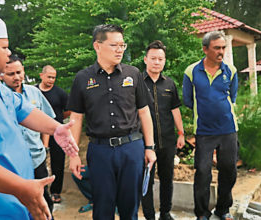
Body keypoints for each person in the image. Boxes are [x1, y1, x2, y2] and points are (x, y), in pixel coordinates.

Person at [0, 12, 78, 220]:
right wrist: (21, 188)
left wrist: (56, 129)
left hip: (11, 207)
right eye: (4, 47)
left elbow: (22, 109)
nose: (9, 53)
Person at [67, 24, 157, 220]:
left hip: (131, 148)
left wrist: (149, 147)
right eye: (114, 45)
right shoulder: (83, 79)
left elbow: (144, 112)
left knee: (130, 207)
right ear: (97, 46)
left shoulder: (133, 74)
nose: (119, 50)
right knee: (102, 208)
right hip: (100, 152)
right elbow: (76, 118)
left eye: (122, 45)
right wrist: (73, 155)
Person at [182, 31, 238, 220]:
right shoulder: (191, 71)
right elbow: (188, 100)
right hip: (204, 131)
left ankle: (223, 209)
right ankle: (202, 213)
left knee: (229, 170)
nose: (221, 51)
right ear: (205, 49)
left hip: (228, 129)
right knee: (203, 172)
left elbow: (233, 97)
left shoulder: (231, 70)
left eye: (223, 47)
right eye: (217, 48)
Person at [0, 54, 56, 214]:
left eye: (19, 72)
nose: (16, 77)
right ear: (1, 74)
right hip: (11, 163)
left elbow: (47, 120)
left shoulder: (34, 93)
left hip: (37, 158)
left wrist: (45, 146)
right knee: (17, 202)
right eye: (11, 74)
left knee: (44, 198)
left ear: (23, 70)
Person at [141, 40, 185, 220]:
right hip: (145, 144)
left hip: (167, 140)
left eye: (160, 59)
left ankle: (165, 213)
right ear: (145, 59)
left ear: (164, 61)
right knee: (146, 182)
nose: (157, 62)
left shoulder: (169, 84)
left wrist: (181, 133)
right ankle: (149, 215)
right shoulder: (137, 83)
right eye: (153, 58)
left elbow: (175, 110)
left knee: (167, 179)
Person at [37, 65, 70, 203]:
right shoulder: (33, 91)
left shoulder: (60, 93)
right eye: (49, 77)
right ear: (41, 75)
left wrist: (57, 120)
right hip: (37, 132)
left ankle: (56, 191)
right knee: (39, 162)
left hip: (56, 132)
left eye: (54, 77)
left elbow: (68, 110)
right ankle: (40, 191)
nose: (51, 80)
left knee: (58, 161)